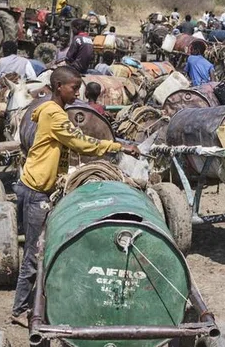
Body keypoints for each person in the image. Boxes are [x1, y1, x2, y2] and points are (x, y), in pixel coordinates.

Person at [11, 67, 139, 325]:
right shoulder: (55, 115)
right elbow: (82, 143)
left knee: (39, 248)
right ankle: (19, 310)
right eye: (73, 87)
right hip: (37, 190)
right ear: (59, 86)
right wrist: (119, 146)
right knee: (35, 253)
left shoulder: (49, 109)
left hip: (32, 183)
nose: (77, 92)